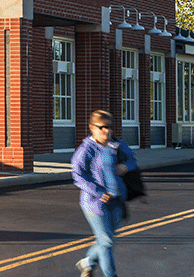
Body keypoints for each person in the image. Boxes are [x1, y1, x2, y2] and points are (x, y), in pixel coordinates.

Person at [71, 110, 137, 277]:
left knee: (105, 241)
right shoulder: (86, 150)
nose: (107, 131)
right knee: (106, 242)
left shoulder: (116, 145)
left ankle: (87, 262)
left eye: (109, 127)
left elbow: (132, 159)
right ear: (92, 127)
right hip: (95, 204)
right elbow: (77, 175)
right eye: (102, 127)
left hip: (116, 201)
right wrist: (98, 192)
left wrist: (126, 166)